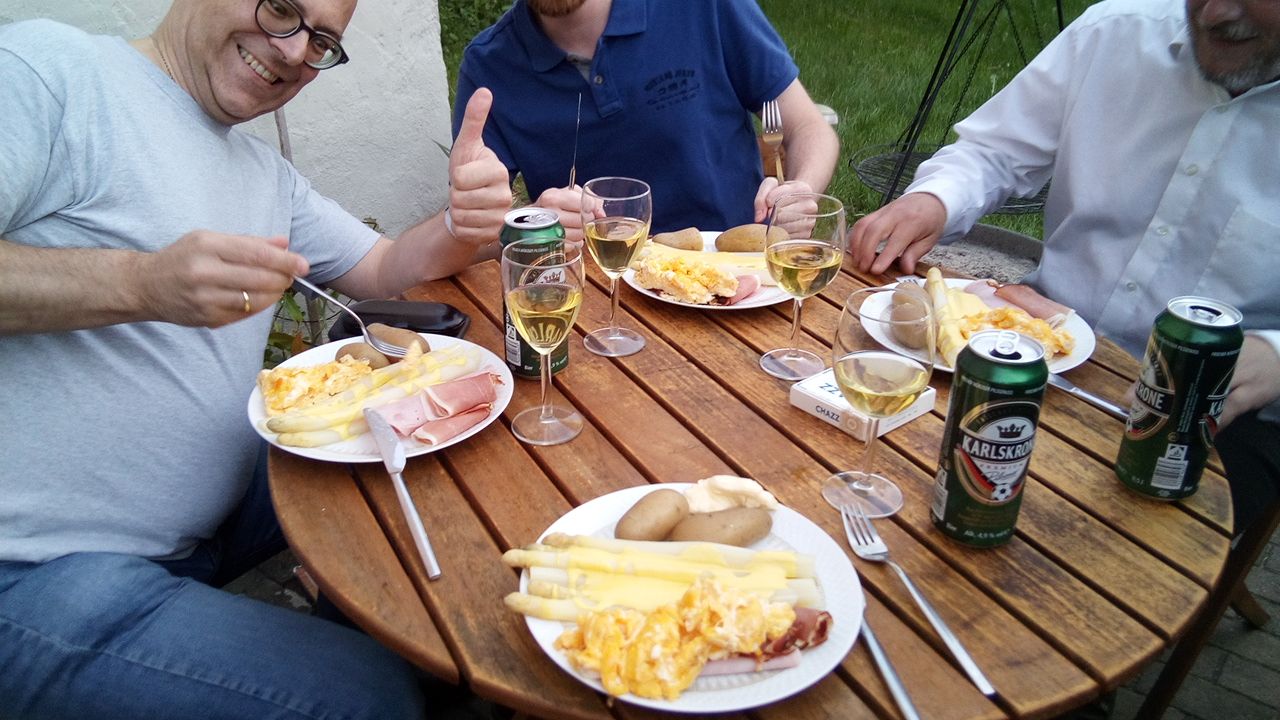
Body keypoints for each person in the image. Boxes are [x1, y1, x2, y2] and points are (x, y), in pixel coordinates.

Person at [0, 0, 512, 717]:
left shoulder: (262, 173)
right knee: (366, 700)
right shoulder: (51, 74)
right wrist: (139, 283)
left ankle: (358, 626)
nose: (297, 51)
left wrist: (462, 223)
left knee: (436, 466)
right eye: (282, 9)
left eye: (323, 40)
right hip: (37, 566)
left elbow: (383, 266)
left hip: (225, 512)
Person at [848, 0, 1280, 533]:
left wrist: (1277, 354)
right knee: (890, 478)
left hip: (1220, 418)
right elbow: (994, 152)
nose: (1214, 12)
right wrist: (935, 199)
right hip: (1032, 350)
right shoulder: (1115, 31)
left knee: (1121, 554)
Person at [452, 0, 840, 239]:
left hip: (740, 272)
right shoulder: (490, 65)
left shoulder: (703, 7)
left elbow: (808, 127)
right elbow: (477, 230)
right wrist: (533, 222)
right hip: (600, 302)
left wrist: (801, 190)